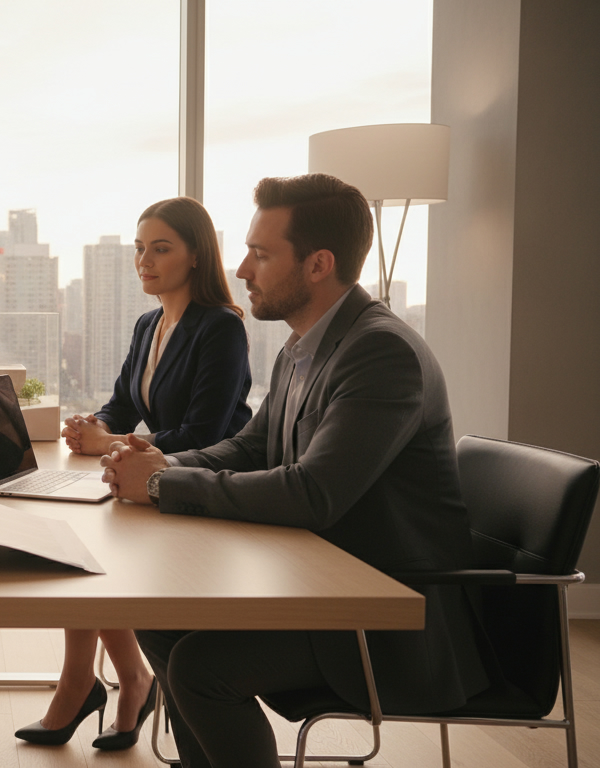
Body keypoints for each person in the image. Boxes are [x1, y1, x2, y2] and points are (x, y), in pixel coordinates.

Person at [102, 173, 488, 768]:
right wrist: (158, 463)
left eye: (260, 254)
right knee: (157, 618)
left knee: (202, 668)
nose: (242, 270)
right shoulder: (303, 346)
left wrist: (160, 483)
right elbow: (251, 448)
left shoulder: (381, 354)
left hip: (384, 617)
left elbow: (314, 494)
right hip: (317, 582)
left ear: (317, 265)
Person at [17, 197, 251, 751]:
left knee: (93, 553)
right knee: (80, 541)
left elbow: (204, 432)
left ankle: (90, 685)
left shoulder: (221, 328)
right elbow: (124, 402)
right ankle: (120, 682)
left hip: (203, 485)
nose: (145, 260)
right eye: (140, 249)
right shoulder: (151, 323)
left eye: (161, 249)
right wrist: (92, 425)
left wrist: (111, 442)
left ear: (196, 255)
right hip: (152, 478)